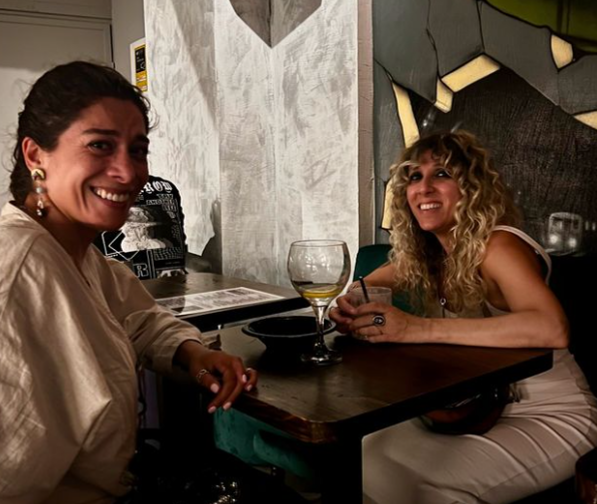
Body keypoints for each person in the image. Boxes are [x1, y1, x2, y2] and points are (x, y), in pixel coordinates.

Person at [0, 61, 257, 503]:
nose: (128, 172)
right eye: (99, 145)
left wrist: (191, 351)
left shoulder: (76, 252)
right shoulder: (21, 268)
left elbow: (138, 317)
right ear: (35, 155)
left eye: (137, 150)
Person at [330, 131, 597, 504]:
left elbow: (552, 328)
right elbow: (360, 289)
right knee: (362, 456)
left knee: (420, 492)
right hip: (478, 408)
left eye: (441, 174)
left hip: (551, 415)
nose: (423, 188)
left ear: (471, 188)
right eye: (414, 176)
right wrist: (344, 308)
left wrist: (413, 328)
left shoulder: (498, 245)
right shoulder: (429, 256)